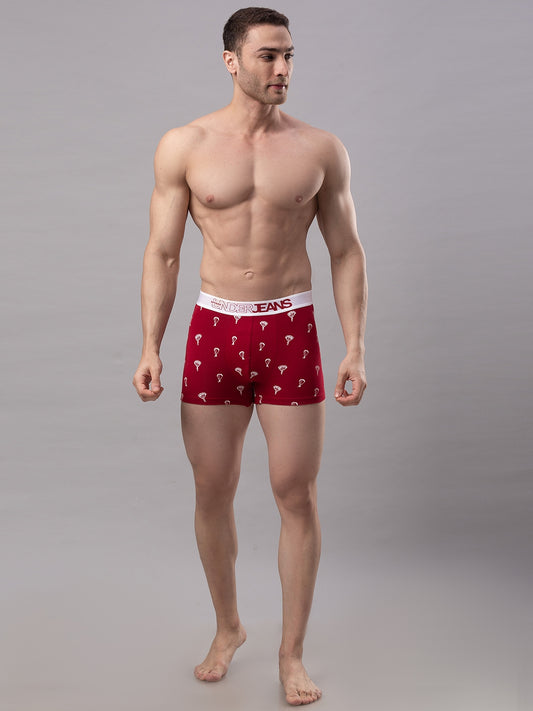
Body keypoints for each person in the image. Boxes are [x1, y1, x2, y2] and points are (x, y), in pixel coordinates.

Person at [132, 7, 367, 706]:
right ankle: (228, 626)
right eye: (268, 56)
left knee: (295, 492)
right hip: (215, 331)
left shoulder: (321, 149)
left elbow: (346, 251)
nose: (283, 68)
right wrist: (150, 343)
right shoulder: (185, 145)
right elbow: (163, 252)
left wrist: (355, 345)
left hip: (289, 330)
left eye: (289, 54)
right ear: (231, 61)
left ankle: (291, 655)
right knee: (212, 488)